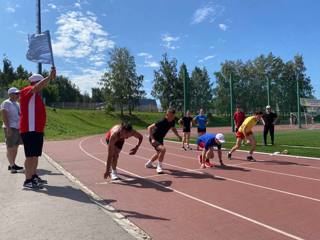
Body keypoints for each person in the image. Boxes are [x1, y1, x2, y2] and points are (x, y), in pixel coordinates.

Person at [20, 67, 56, 189]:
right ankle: (27, 180)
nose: (44, 86)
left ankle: (33, 176)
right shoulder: (27, 90)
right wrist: (49, 78)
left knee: (35, 155)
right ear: (36, 82)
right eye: (42, 83)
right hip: (29, 129)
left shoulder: (37, 96)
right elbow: (36, 88)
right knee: (30, 156)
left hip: (37, 130)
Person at [145, 108, 182, 174]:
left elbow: (173, 129)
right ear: (167, 114)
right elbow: (149, 127)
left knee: (159, 153)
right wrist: (153, 139)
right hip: (154, 138)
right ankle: (159, 167)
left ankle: (149, 164)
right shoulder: (161, 121)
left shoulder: (172, 121)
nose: (171, 118)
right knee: (163, 150)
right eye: (170, 116)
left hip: (160, 138)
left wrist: (178, 136)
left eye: (172, 116)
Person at [1, 87, 23, 174]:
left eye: (18, 93)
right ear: (10, 94)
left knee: (15, 147)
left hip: (17, 128)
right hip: (10, 127)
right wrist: (8, 127)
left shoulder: (17, 103)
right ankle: (12, 165)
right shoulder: (6, 103)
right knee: (10, 147)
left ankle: (13, 164)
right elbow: (4, 114)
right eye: (16, 93)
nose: (18, 95)